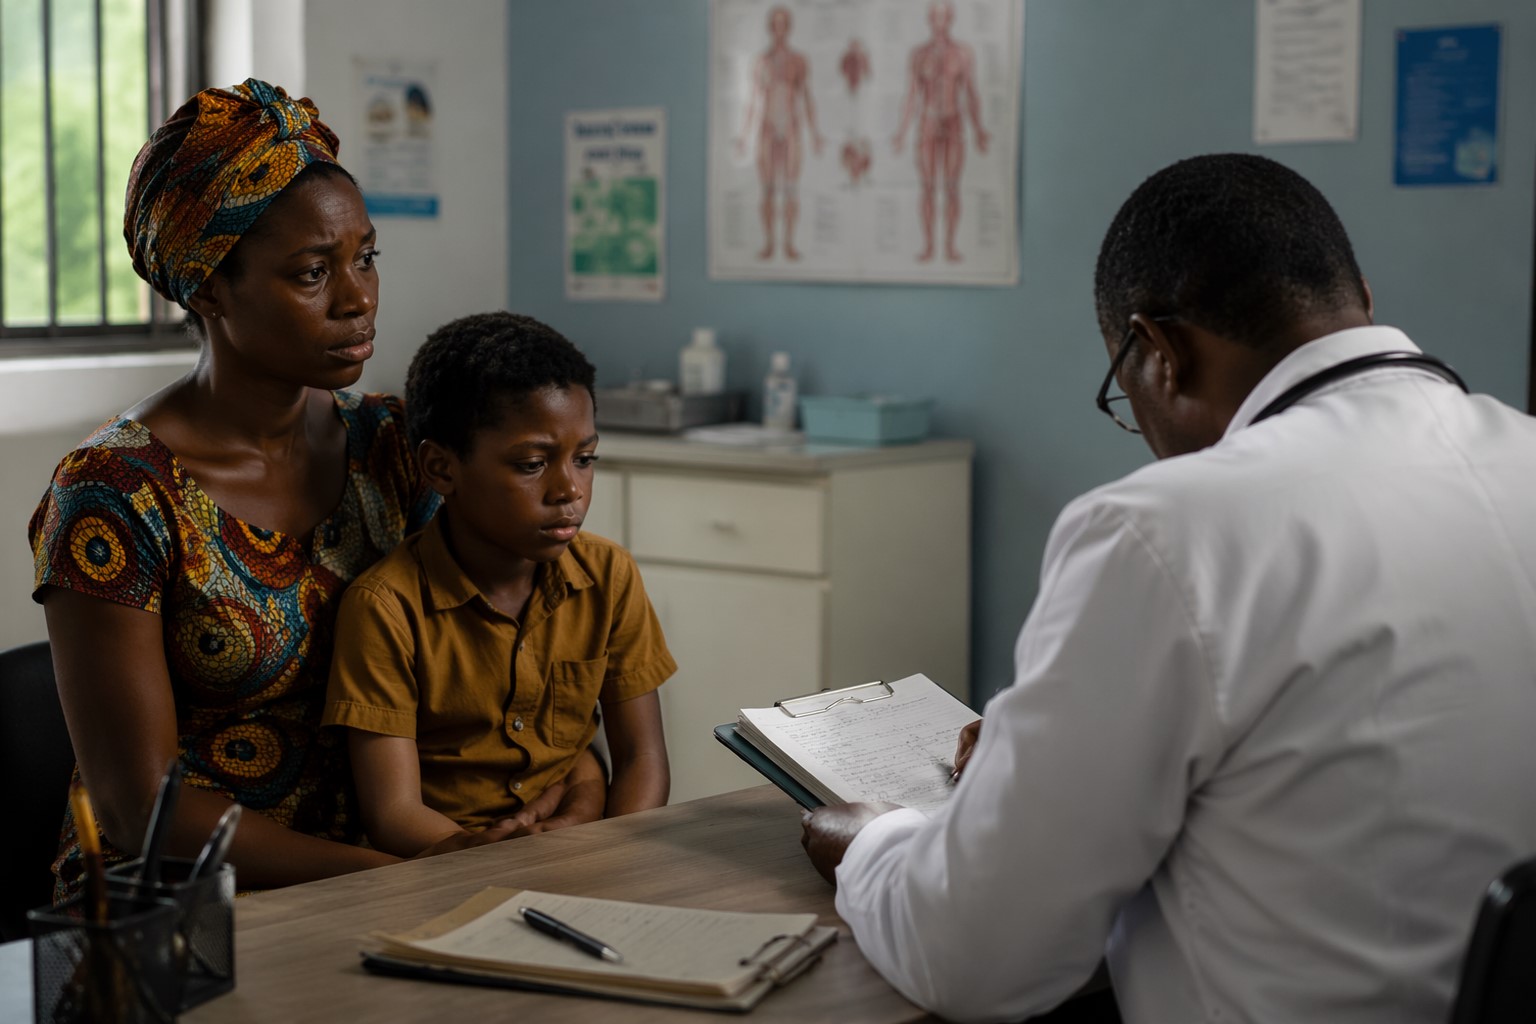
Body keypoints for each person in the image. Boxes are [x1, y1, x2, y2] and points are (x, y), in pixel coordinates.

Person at [801, 153, 1536, 1023]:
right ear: (1362, 301)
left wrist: (874, 843)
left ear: (1160, 351)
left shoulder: (1167, 528)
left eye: (1126, 394)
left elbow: (974, 960)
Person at [28, 79, 519, 902]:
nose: (358, 298)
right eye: (311, 273)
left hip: (404, 869)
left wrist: (575, 769)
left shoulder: (398, 450)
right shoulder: (115, 493)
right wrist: (397, 877)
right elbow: (138, 808)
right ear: (210, 289)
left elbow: (505, 655)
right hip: (177, 911)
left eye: (364, 257)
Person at [323, 311, 674, 857]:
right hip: (443, 866)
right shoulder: (385, 609)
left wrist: (615, 854)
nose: (569, 490)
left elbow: (641, 759)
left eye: (585, 459)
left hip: (586, 855)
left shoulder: (609, 576)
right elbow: (393, 813)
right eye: (532, 464)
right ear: (441, 469)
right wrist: (490, 858)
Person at [892, 0, 989, 263]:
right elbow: (911, 96)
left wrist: (979, 129)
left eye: (944, 17)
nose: (940, 22)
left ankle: (949, 246)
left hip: (954, 121)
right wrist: (901, 132)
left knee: (952, 187)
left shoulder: (962, 53)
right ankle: (929, 245)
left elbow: (970, 93)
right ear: (929, 20)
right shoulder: (919, 55)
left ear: (951, 19)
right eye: (935, 17)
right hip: (927, 122)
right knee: (927, 187)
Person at [736, 5, 823, 261]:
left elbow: (806, 97)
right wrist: (743, 135)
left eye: (784, 23)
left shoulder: (799, 61)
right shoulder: (760, 61)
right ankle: (770, 243)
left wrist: (815, 133)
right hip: (767, 126)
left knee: (791, 189)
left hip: (792, 128)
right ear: (770, 27)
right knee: (768, 190)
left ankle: (789, 244)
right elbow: (752, 100)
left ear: (789, 27)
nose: (779, 29)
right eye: (775, 23)